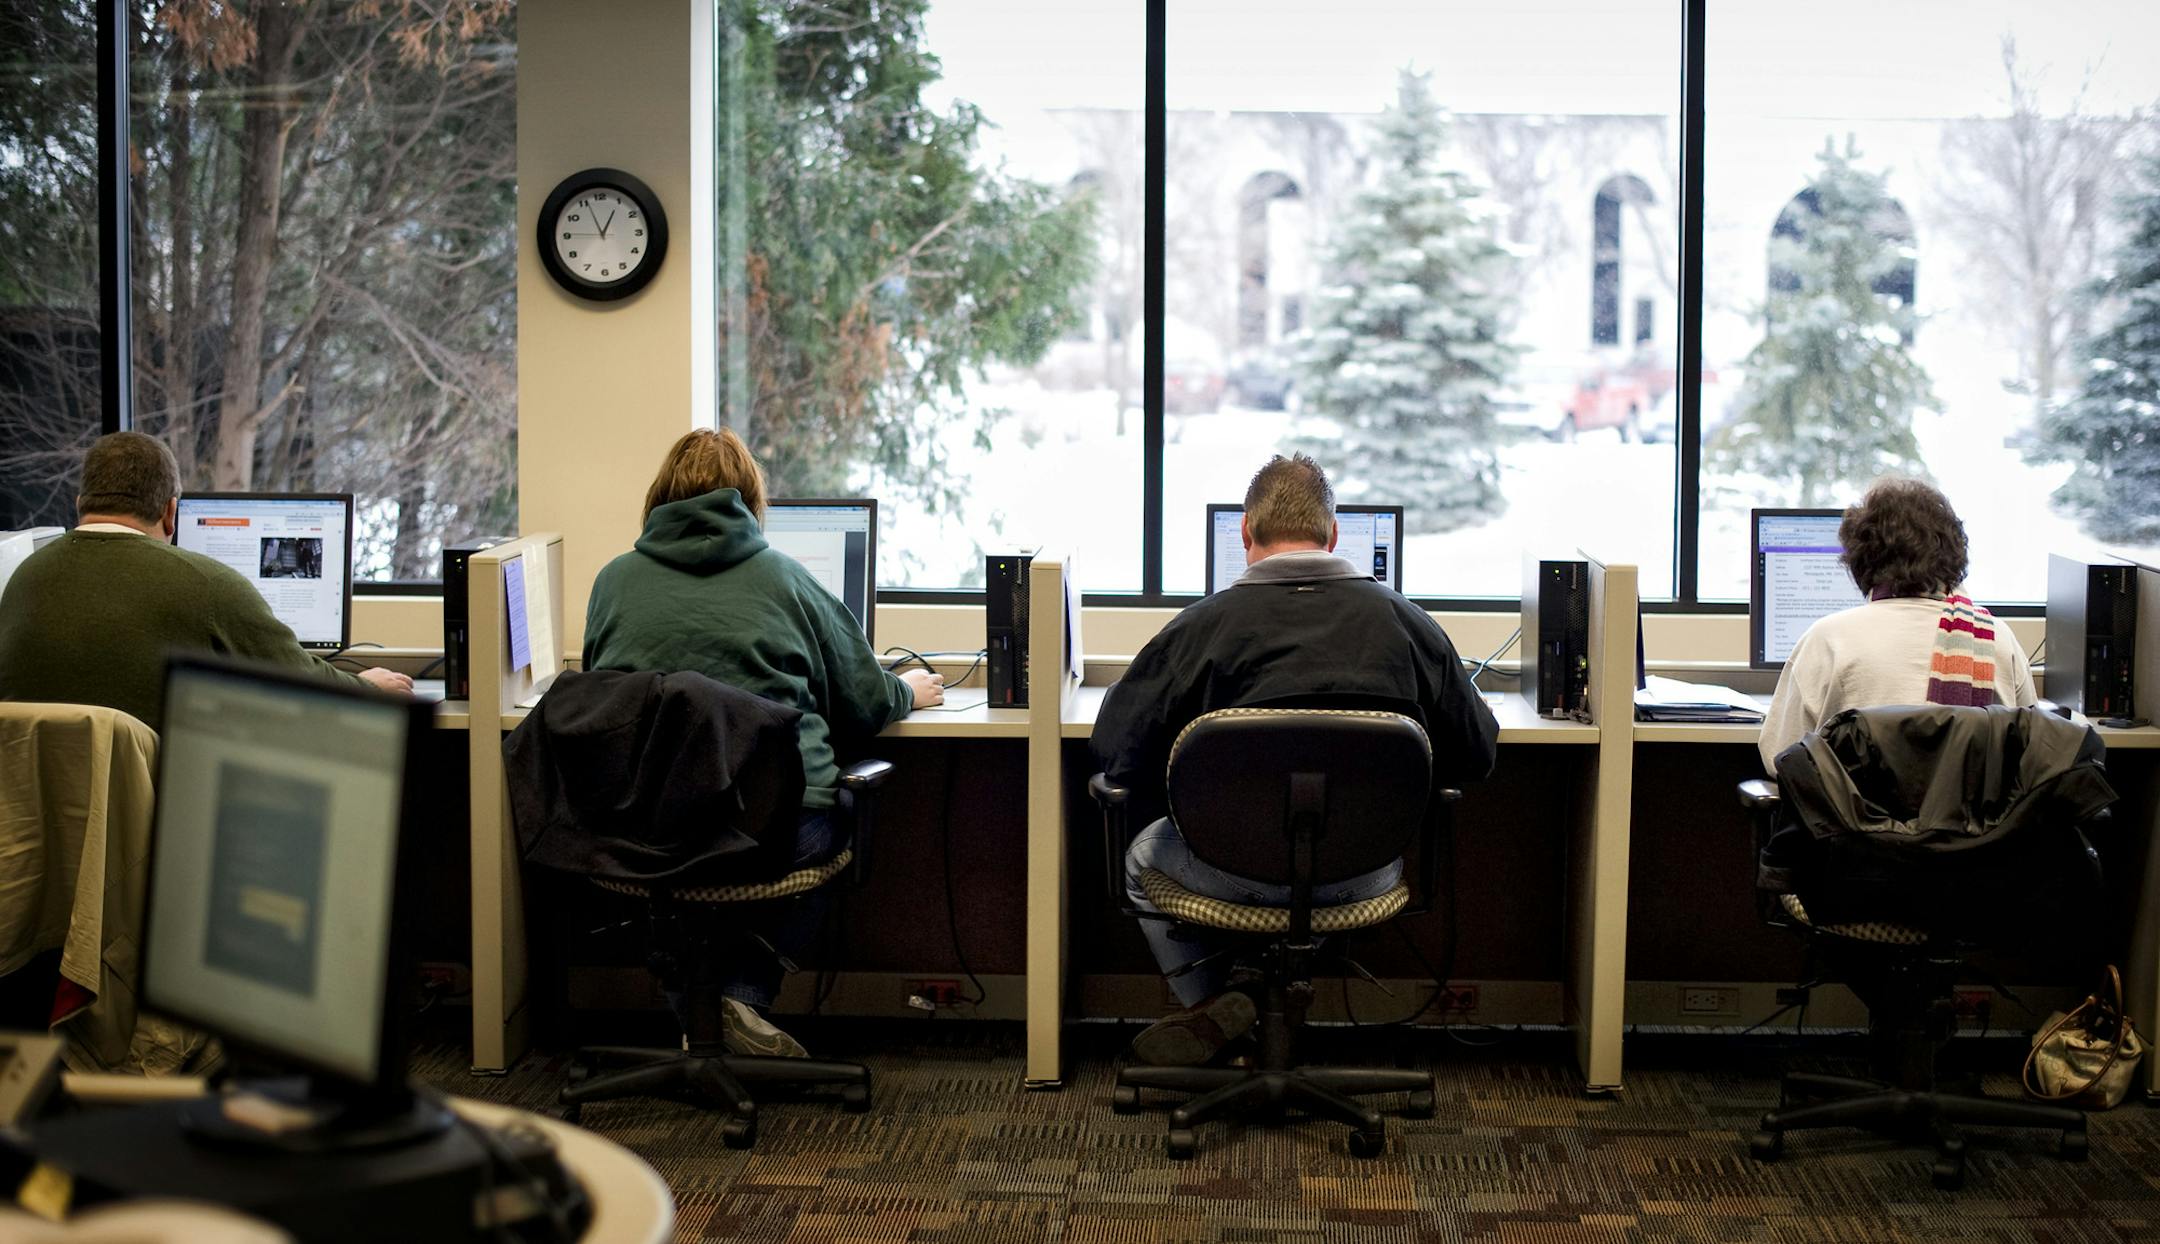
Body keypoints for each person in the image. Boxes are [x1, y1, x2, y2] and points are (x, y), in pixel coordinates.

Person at [1091, 453, 1499, 1067]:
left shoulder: (1198, 629)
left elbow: (1114, 752)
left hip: (1228, 868)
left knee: (1141, 856)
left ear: (1245, 532)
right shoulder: (1410, 626)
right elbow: (1478, 754)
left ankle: (1222, 1016)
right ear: (1333, 535)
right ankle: (1246, 1005)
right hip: (1362, 868)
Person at [582, 427, 942, 1057]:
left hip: (646, 835)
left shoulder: (612, 583)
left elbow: (602, 702)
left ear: (658, 498)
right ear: (750, 502)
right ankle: (741, 997)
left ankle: (698, 1016)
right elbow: (864, 703)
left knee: (677, 875)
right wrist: (907, 689)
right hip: (769, 835)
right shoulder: (786, 579)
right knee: (834, 811)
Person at [0, 432, 410, 726]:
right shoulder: (208, 583)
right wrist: (368, 688)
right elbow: (301, 681)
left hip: (36, 819)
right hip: (159, 815)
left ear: (80, 504)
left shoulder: (21, 580)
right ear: (170, 512)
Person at [1758, 476, 2038, 773]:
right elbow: (2031, 753)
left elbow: (1780, 757)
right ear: (1953, 555)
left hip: (1855, 805)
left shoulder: (1827, 639)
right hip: (1973, 804)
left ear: (1860, 559)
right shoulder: (1995, 637)